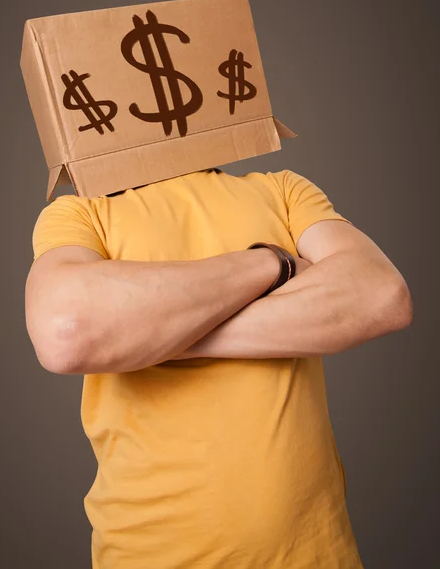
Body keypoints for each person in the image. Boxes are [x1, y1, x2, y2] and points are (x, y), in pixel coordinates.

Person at [25, 166, 413, 568]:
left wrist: (161, 338)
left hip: (320, 556)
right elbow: (65, 333)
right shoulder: (81, 213)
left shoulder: (282, 190)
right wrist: (273, 263)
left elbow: (383, 296)